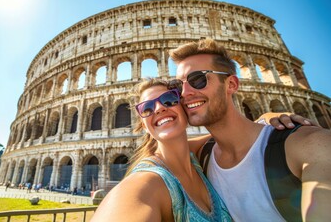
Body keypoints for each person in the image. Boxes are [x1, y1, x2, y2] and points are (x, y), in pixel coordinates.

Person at [170, 38, 331, 221]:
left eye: (198, 80)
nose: (184, 93)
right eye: (177, 86)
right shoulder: (201, 156)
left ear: (231, 84)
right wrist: (266, 116)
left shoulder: (311, 144)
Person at [92, 78, 232, 221]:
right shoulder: (145, 183)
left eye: (169, 99)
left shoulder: (196, 153)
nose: (159, 108)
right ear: (145, 126)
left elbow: (235, 133)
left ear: (185, 109)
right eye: (147, 108)